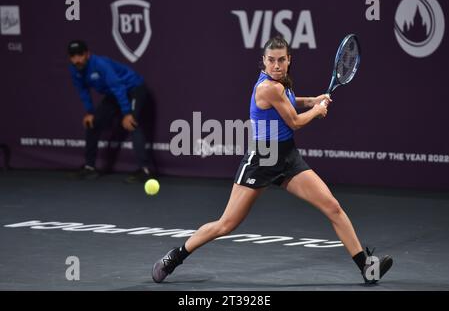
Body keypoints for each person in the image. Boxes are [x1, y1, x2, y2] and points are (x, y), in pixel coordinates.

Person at [152, 36, 393, 284]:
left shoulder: (282, 83)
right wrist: (317, 110)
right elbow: (295, 121)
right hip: (263, 159)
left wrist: (310, 100)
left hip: (287, 157)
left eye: (281, 60)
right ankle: (175, 256)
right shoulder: (268, 87)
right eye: (271, 61)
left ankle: (365, 266)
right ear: (263, 62)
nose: (276, 65)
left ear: (289, 60)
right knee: (226, 224)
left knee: (332, 206)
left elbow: (288, 103)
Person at [67, 40, 154, 183]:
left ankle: (145, 170)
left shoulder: (100, 64)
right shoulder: (74, 69)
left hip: (133, 88)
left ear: (87, 54)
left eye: (79, 55)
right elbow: (82, 91)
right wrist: (90, 112)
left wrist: (126, 113)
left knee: (131, 123)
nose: (76, 60)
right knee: (92, 123)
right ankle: (89, 168)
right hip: (114, 94)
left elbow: (118, 87)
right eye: (73, 56)